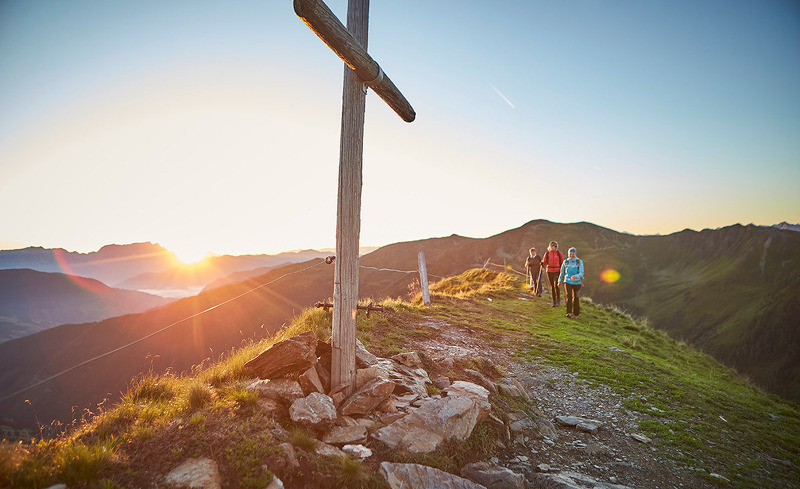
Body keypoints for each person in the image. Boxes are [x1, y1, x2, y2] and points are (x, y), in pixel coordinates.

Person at [558, 247, 585, 319]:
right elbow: (562, 272)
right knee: (568, 296)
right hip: (567, 281)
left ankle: (576, 314)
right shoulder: (566, 262)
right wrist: (559, 281)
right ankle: (569, 312)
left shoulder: (579, 262)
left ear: (575, 254)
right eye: (570, 254)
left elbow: (581, 273)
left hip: (577, 282)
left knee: (576, 298)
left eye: (573, 254)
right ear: (568, 254)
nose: (571, 255)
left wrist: (576, 276)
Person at [542, 241, 564, 307]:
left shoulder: (559, 254)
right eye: (551, 246)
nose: (552, 247)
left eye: (553, 246)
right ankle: (554, 302)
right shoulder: (547, 254)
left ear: (556, 247)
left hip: (557, 271)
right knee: (552, 287)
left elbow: (562, 263)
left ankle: (558, 301)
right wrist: (542, 265)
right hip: (549, 271)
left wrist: (563, 271)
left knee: (556, 285)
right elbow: (544, 261)